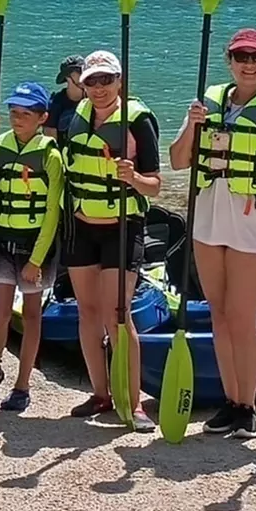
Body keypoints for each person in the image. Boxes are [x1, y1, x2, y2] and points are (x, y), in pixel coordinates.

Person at [167, 27, 256, 440]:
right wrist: (191, 124)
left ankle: (248, 406)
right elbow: (177, 160)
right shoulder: (208, 103)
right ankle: (230, 401)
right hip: (208, 222)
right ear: (229, 60)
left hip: (255, 222)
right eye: (241, 56)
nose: (249, 64)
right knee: (220, 316)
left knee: (242, 317)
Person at [59, 49, 161, 427]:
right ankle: (101, 393)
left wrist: (132, 177)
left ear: (120, 81)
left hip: (122, 227)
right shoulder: (75, 118)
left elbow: (154, 187)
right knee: (88, 312)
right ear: (82, 85)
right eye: (92, 81)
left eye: (107, 80)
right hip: (81, 227)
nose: (99, 88)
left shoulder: (138, 122)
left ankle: (132, 402)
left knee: (117, 315)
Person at [0, 81, 65, 413]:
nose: (17, 119)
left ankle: (22, 384)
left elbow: (53, 211)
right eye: (14, 113)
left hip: (34, 248)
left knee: (30, 314)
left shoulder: (50, 154)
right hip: (3, 241)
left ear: (42, 118)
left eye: (26, 114)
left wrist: (37, 259)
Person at [46, 55, 84, 137]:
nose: (82, 73)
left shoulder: (94, 98)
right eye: (78, 71)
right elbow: (50, 139)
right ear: (67, 77)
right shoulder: (55, 104)